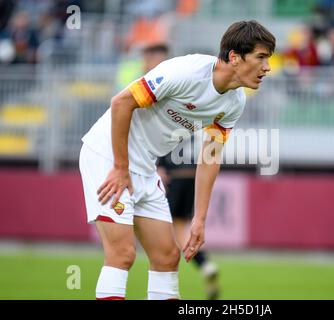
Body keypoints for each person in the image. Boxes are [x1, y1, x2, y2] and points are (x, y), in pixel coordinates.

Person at [79, 20, 275, 300]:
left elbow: (210, 157)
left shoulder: (234, 103)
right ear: (234, 57)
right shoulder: (187, 71)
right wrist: (121, 168)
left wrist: (200, 219)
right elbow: (121, 103)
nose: (267, 67)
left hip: (144, 165)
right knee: (122, 254)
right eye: (261, 57)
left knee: (167, 257)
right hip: (107, 155)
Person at [158, 136, 220, 300]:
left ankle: (162, 290)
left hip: (175, 175)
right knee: (179, 228)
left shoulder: (173, 123)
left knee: (167, 230)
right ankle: (205, 265)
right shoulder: (195, 129)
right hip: (194, 175)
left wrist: (159, 165)